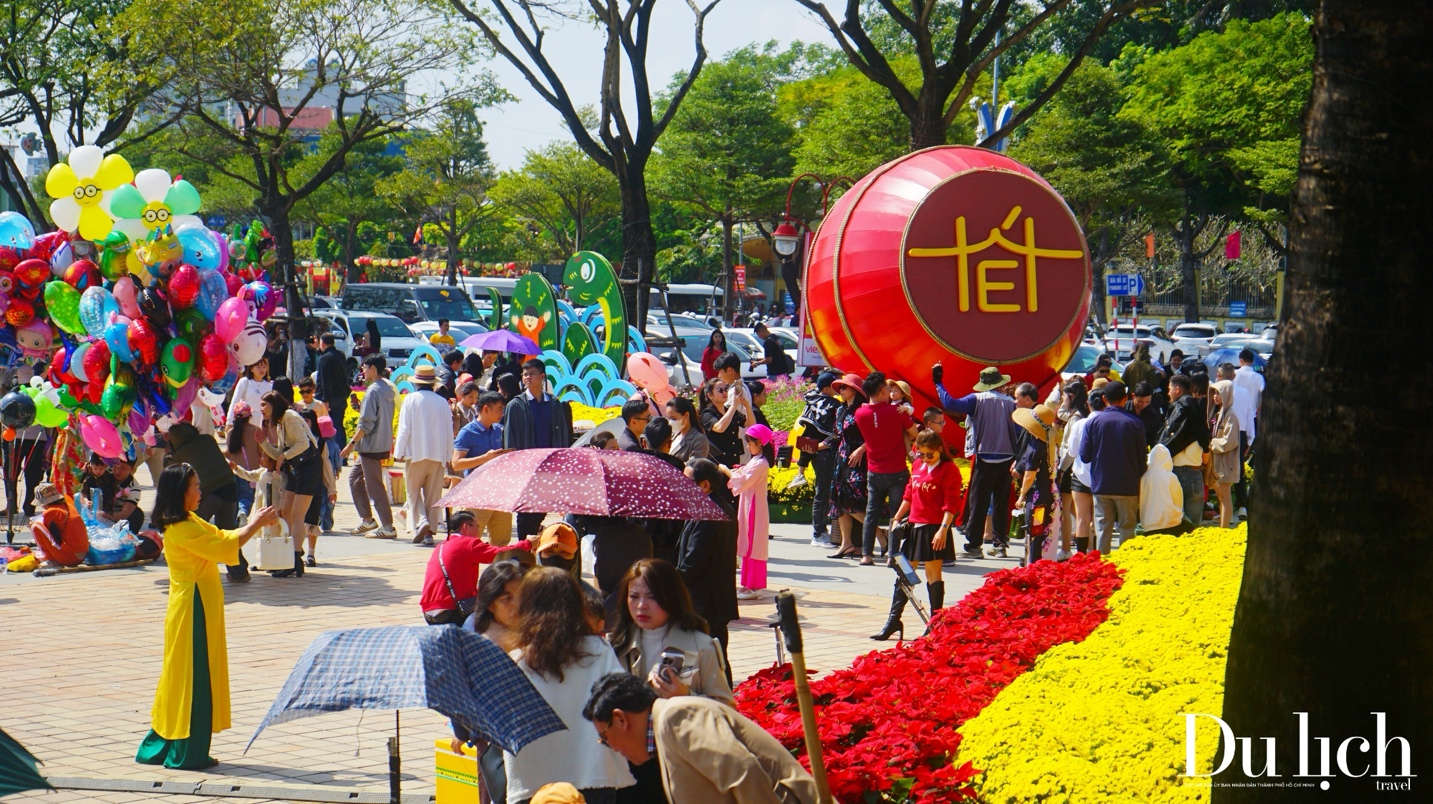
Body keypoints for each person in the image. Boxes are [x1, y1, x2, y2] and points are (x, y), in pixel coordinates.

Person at [136, 463, 277, 769]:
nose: (201, 492)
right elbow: (225, 544)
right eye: (195, 487)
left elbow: (222, 535)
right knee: (194, 678)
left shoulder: (188, 520)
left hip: (195, 606)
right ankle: (188, 751)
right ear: (181, 492)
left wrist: (253, 521)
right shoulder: (182, 527)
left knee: (181, 677)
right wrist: (255, 525)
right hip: (192, 610)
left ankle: (164, 743)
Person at [503, 567, 635, 804]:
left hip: (533, 779)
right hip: (593, 770)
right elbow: (623, 702)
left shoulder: (518, 660)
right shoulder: (599, 652)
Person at [582, 673, 818, 804]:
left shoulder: (675, 716)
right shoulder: (664, 736)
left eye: (605, 738)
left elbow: (742, 771)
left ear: (621, 720)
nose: (611, 748)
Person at [609, 559, 734, 804]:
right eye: (634, 596)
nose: (641, 606)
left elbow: (726, 710)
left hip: (681, 763)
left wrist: (686, 697)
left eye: (652, 597)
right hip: (625, 762)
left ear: (672, 597)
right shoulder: (614, 645)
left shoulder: (701, 645)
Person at [874, 429, 964, 641]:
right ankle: (893, 621)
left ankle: (935, 624)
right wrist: (896, 518)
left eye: (929, 454)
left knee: (933, 576)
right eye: (920, 453)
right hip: (915, 527)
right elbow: (909, 495)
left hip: (934, 528)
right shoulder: (917, 466)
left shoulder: (949, 470)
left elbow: (951, 503)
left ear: (939, 450)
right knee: (904, 573)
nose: (924, 458)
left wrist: (943, 529)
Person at [934, 364, 1019, 559]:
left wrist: (938, 383)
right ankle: (1000, 545)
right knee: (1001, 502)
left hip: (984, 456)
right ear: (999, 383)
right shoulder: (1010, 403)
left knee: (978, 501)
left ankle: (974, 545)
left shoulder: (976, 399)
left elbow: (950, 403)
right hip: (1007, 457)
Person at [421, 511, 537, 625]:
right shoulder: (467, 543)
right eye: (477, 526)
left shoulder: (441, 545)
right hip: (452, 610)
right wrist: (528, 543)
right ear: (466, 527)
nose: (479, 531)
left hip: (429, 611)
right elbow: (499, 554)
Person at [674, 459, 738, 657]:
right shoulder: (713, 506)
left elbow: (694, 562)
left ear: (704, 485)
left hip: (706, 601)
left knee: (711, 660)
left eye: (686, 482)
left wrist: (667, 583)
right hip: (711, 599)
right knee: (715, 658)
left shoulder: (709, 514)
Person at [503, 358, 574, 538]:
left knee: (543, 506)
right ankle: (524, 546)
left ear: (542, 376)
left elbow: (563, 434)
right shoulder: (516, 405)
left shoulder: (554, 404)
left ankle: (534, 537)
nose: (527, 377)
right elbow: (509, 437)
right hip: (526, 468)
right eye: (525, 374)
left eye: (532, 374)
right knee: (526, 510)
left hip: (549, 465)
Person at [855, 372, 918, 566]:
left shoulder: (860, 413)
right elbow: (914, 432)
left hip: (874, 470)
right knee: (896, 515)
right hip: (897, 470)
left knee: (871, 513)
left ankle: (867, 554)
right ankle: (893, 555)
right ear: (883, 390)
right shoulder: (896, 412)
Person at [170, 420, 246, 580]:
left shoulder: (183, 451)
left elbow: (169, 466)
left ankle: (195, 567)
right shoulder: (208, 439)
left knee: (194, 528)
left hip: (210, 492)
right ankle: (239, 572)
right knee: (227, 531)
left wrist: (169, 451)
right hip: (229, 486)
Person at [1079, 381, 1146, 553]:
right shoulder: (1136, 423)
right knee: (1127, 530)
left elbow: (1085, 456)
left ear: (1104, 398)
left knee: (1102, 529)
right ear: (1125, 398)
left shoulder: (1092, 423)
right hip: (1128, 486)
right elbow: (1141, 461)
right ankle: (1126, 568)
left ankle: (1103, 571)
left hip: (1101, 485)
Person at [259, 390, 320, 576]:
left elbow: (304, 444)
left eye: (264, 404)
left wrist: (284, 455)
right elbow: (279, 455)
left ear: (274, 404)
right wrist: (263, 443)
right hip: (295, 468)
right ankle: (290, 553)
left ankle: (294, 558)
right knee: (285, 510)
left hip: (309, 467)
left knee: (297, 514)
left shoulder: (289, 416)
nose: (261, 409)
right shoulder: (279, 423)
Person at [395, 364, 454, 546]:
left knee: (413, 492)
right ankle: (428, 533)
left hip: (416, 453)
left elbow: (405, 428)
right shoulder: (442, 402)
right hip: (438, 455)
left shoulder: (411, 399)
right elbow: (449, 431)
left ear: (417, 383)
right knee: (433, 496)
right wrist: (448, 456)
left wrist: (398, 452)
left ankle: (422, 522)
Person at [342, 355, 398, 539]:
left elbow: (366, 424)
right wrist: (360, 409)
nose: (362, 371)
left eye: (365, 367)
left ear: (373, 368)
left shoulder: (373, 391)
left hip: (370, 445)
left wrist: (351, 444)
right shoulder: (387, 388)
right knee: (355, 480)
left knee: (374, 486)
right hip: (380, 443)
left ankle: (388, 526)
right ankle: (368, 520)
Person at [453, 391, 514, 544]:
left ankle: (498, 568)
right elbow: (456, 463)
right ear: (486, 409)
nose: (502, 413)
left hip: (500, 493)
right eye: (499, 409)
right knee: (470, 541)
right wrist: (485, 458)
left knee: (501, 544)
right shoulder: (467, 432)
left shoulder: (499, 431)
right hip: (477, 494)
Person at [722, 426, 773, 600]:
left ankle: (756, 586)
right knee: (746, 543)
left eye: (750, 443)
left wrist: (726, 470)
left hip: (754, 508)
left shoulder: (761, 462)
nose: (748, 447)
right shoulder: (757, 460)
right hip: (748, 505)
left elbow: (743, 481)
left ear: (759, 443)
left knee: (753, 545)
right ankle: (747, 584)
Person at [793, 372, 840, 547]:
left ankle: (820, 531)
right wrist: (825, 443)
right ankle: (818, 533)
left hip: (812, 451)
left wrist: (802, 463)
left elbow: (807, 431)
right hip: (824, 453)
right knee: (823, 493)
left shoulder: (811, 401)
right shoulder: (832, 405)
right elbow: (835, 431)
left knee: (822, 493)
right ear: (827, 388)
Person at [825, 373, 868, 560]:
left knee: (852, 499)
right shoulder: (841, 410)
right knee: (838, 498)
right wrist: (818, 445)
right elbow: (836, 435)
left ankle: (878, 533)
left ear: (855, 390)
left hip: (857, 458)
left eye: (845, 387)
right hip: (841, 457)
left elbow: (874, 436)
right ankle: (846, 543)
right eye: (840, 388)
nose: (841, 391)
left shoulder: (863, 410)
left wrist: (861, 450)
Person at [1159, 374, 1211, 529]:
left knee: (1175, 523)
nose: (1168, 393)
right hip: (1194, 473)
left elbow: (1165, 443)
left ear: (1177, 389)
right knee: (1195, 525)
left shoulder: (1177, 412)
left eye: (1170, 389)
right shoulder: (1198, 411)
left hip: (1174, 472)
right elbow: (1205, 445)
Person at [1012, 404, 1058, 560]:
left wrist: (1021, 495)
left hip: (1037, 496)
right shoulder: (1051, 443)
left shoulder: (1035, 447)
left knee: (1035, 533)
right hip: (1051, 493)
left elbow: (1029, 476)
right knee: (1045, 533)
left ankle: (1034, 565)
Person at [228, 360, 273, 516]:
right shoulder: (245, 382)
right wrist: (229, 423)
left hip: (260, 428)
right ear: (251, 368)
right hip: (242, 424)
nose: (261, 369)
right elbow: (235, 401)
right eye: (258, 366)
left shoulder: (269, 385)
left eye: (264, 366)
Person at [1056, 381, 1092, 555]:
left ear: (1073, 396)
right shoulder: (1081, 413)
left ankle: (1065, 549)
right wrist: (1065, 402)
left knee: (1069, 510)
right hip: (1078, 466)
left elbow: (1071, 450)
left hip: (1070, 466)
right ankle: (1091, 547)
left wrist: (1062, 470)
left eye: (1066, 395)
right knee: (1078, 512)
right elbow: (1062, 414)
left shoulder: (1076, 417)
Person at [1231, 348, 1264, 519]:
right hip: (1249, 422)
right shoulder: (1258, 377)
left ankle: (1228, 502)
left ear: (1241, 360)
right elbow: (1262, 392)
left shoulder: (1234, 376)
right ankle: (1241, 503)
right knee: (1242, 465)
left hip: (1231, 422)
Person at [1208, 379, 1242, 528]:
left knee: (1225, 497)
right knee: (1222, 497)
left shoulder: (1230, 415)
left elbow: (1230, 441)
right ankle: (1223, 525)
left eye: (1219, 393)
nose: (1215, 396)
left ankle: (1224, 529)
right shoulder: (1221, 412)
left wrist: (1211, 443)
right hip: (1219, 463)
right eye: (1214, 393)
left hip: (1226, 464)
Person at [31, 482, 88, 567]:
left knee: (35, 526)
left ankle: (50, 559)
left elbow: (47, 533)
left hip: (69, 557)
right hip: (81, 556)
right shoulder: (69, 506)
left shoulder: (51, 512)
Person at [3, 421, 49, 519]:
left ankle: (24, 506)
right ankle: (15, 505)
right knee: (12, 473)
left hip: (32, 436)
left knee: (26, 475)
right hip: (15, 436)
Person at [696, 379, 744, 468]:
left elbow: (751, 423)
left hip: (733, 458)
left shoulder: (729, 410)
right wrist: (734, 406)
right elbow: (719, 428)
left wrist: (747, 406)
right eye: (720, 390)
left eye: (725, 389)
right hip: (718, 463)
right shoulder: (707, 413)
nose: (724, 393)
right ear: (710, 395)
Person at [1140, 444, 1186, 535]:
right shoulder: (1170, 477)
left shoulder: (1144, 477)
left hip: (1148, 523)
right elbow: (1178, 500)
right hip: (1171, 522)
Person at [711, 353, 752, 449]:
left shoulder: (735, 391)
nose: (719, 376)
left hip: (738, 444)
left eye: (720, 372)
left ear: (729, 370)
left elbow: (728, 416)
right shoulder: (740, 386)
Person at [315, 333, 350, 435]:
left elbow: (326, 381)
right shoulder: (340, 354)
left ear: (322, 342)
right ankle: (341, 448)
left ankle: (330, 449)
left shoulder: (325, 359)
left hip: (330, 398)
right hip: (341, 395)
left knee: (327, 426)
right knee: (339, 425)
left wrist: (325, 399)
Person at [664, 397, 709, 463]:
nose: (670, 422)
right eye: (668, 418)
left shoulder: (699, 439)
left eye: (673, 418)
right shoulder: (673, 435)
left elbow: (694, 466)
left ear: (686, 415)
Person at [1131, 381, 1164, 448]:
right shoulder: (1123, 409)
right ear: (1133, 396)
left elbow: (1153, 437)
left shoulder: (1152, 413)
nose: (1144, 404)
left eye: (1147, 402)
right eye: (1140, 401)